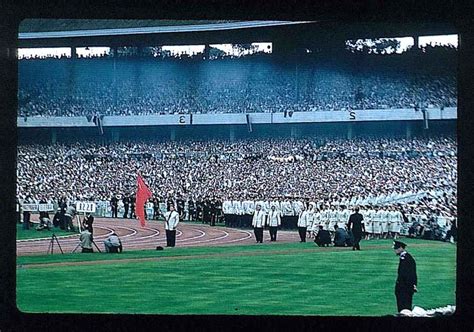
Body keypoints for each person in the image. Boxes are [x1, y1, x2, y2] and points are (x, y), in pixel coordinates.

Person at [393, 240, 417, 312]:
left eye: (396, 248)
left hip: (404, 287)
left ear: (401, 248)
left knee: (404, 308)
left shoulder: (406, 258)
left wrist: (412, 285)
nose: (395, 250)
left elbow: (409, 274)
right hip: (404, 287)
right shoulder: (405, 257)